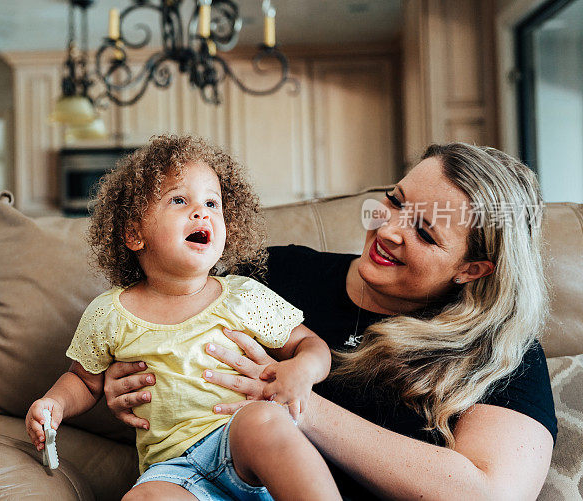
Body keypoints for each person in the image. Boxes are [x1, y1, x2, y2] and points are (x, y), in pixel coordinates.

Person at [104, 142, 558, 499]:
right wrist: (123, 382)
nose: (387, 230)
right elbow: (158, 331)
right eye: (394, 201)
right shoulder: (271, 277)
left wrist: (298, 404)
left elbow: (490, 494)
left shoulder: (501, 352)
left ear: (472, 269)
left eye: (423, 231)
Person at [25, 135, 340, 500]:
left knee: (264, 420)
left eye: (212, 203)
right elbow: (83, 381)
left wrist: (303, 370)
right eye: (179, 200)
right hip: (173, 471)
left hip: (242, 446)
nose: (201, 212)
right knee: (141, 499)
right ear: (134, 233)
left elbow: (308, 343)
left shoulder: (243, 295)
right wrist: (54, 404)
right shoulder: (109, 313)